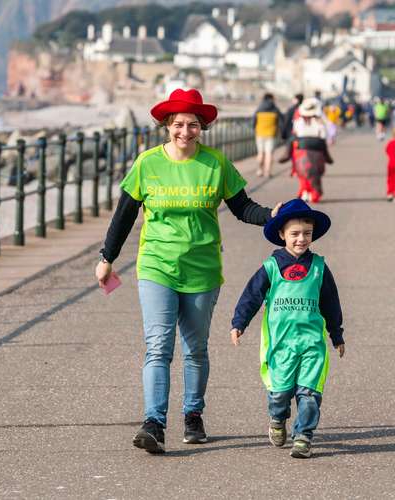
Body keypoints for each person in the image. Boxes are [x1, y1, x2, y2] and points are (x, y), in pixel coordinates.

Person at [95, 88, 281, 454]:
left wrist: (273, 216)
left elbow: (243, 208)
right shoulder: (147, 164)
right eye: (178, 124)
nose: (185, 131)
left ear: (202, 127)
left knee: (195, 349)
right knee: (158, 347)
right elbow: (125, 215)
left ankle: (193, 414)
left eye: (193, 124)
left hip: (203, 270)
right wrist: (107, 257)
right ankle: (154, 423)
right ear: (166, 125)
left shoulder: (215, 164)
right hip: (156, 266)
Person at [230, 199, 345, 459]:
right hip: (280, 345)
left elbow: (331, 302)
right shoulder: (271, 268)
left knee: (309, 393)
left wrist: (336, 334)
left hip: (312, 344)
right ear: (282, 234)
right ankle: (277, 418)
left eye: (307, 233)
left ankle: (303, 436)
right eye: (294, 234)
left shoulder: (319, 268)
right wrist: (239, 323)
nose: (301, 239)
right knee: (280, 393)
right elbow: (251, 296)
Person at [285, 97, 333, 203]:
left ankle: (286, 155)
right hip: (317, 146)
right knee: (319, 163)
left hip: (302, 147)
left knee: (302, 173)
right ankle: (328, 158)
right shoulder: (319, 120)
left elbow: (295, 133)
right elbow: (324, 134)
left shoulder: (299, 121)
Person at [252, 93, 283, 177]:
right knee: (269, 153)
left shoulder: (259, 108)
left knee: (260, 153)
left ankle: (259, 170)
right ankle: (267, 172)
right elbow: (281, 121)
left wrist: (254, 129)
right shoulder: (275, 109)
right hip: (271, 134)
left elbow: (254, 122)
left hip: (259, 134)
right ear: (272, 99)